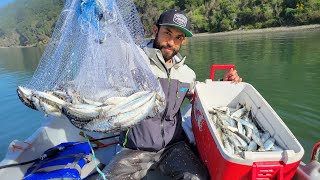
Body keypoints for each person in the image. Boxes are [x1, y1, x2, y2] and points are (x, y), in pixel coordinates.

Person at [101, 9, 242, 180]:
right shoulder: (134, 59)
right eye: (167, 33)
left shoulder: (186, 73)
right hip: (134, 149)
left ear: (183, 41)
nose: (171, 42)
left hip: (172, 148)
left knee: (198, 178)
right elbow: (109, 45)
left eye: (178, 37)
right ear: (155, 30)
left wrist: (223, 83)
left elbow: (200, 94)